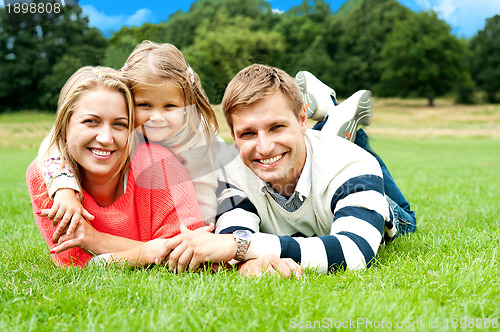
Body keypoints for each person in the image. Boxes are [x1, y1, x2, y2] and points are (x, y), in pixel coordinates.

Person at [155, 64, 416, 277]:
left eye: (276, 127)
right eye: (247, 133)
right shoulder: (231, 172)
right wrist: (248, 262)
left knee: (407, 220)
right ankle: (329, 119)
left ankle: (337, 119)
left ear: (302, 119)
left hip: (354, 182)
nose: (264, 146)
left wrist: (241, 246)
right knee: (284, 152)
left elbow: (353, 251)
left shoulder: (353, 165)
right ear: (233, 137)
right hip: (312, 159)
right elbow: (231, 234)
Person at [37, 41, 233, 242]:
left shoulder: (195, 134)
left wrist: (201, 232)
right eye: (145, 105)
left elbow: (203, 190)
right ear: (128, 100)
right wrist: (64, 189)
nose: (157, 117)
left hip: (226, 193)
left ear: (186, 104)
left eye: (169, 106)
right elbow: (52, 145)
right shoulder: (124, 121)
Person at [27, 66, 204, 267]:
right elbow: (73, 261)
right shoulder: (46, 176)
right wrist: (148, 251)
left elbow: (187, 252)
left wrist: (97, 241)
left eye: (119, 124)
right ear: (64, 127)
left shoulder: (159, 165)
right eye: (91, 121)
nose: (105, 138)